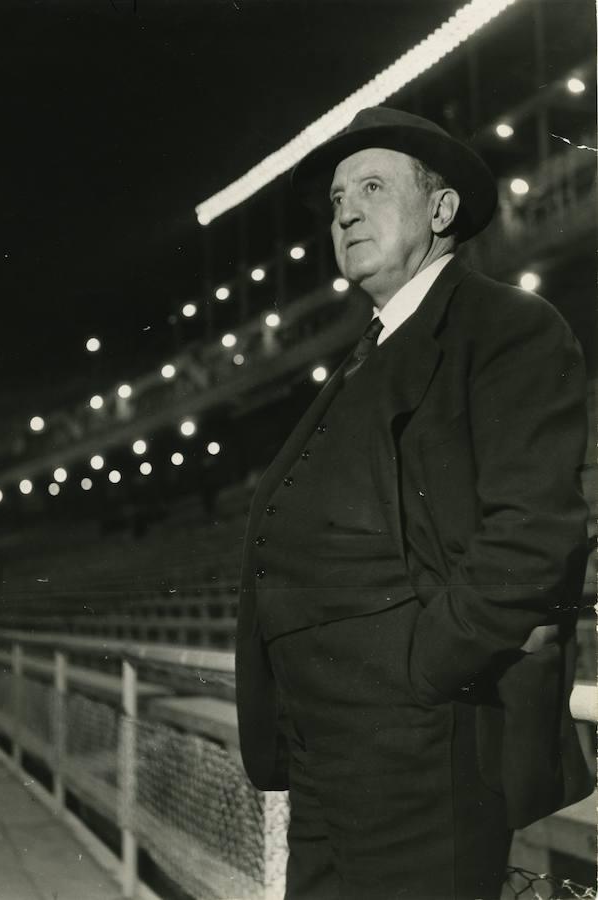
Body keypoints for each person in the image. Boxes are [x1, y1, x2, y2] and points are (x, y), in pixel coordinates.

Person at [235, 106, 593, 900]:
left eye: (369, 187)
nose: (345, 213)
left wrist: (419, 670)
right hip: (322, 746)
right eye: (335, 201)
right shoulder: (366, 353)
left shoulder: (507, 325)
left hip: (419, 747)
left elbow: (533, 535)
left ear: (441, 210)